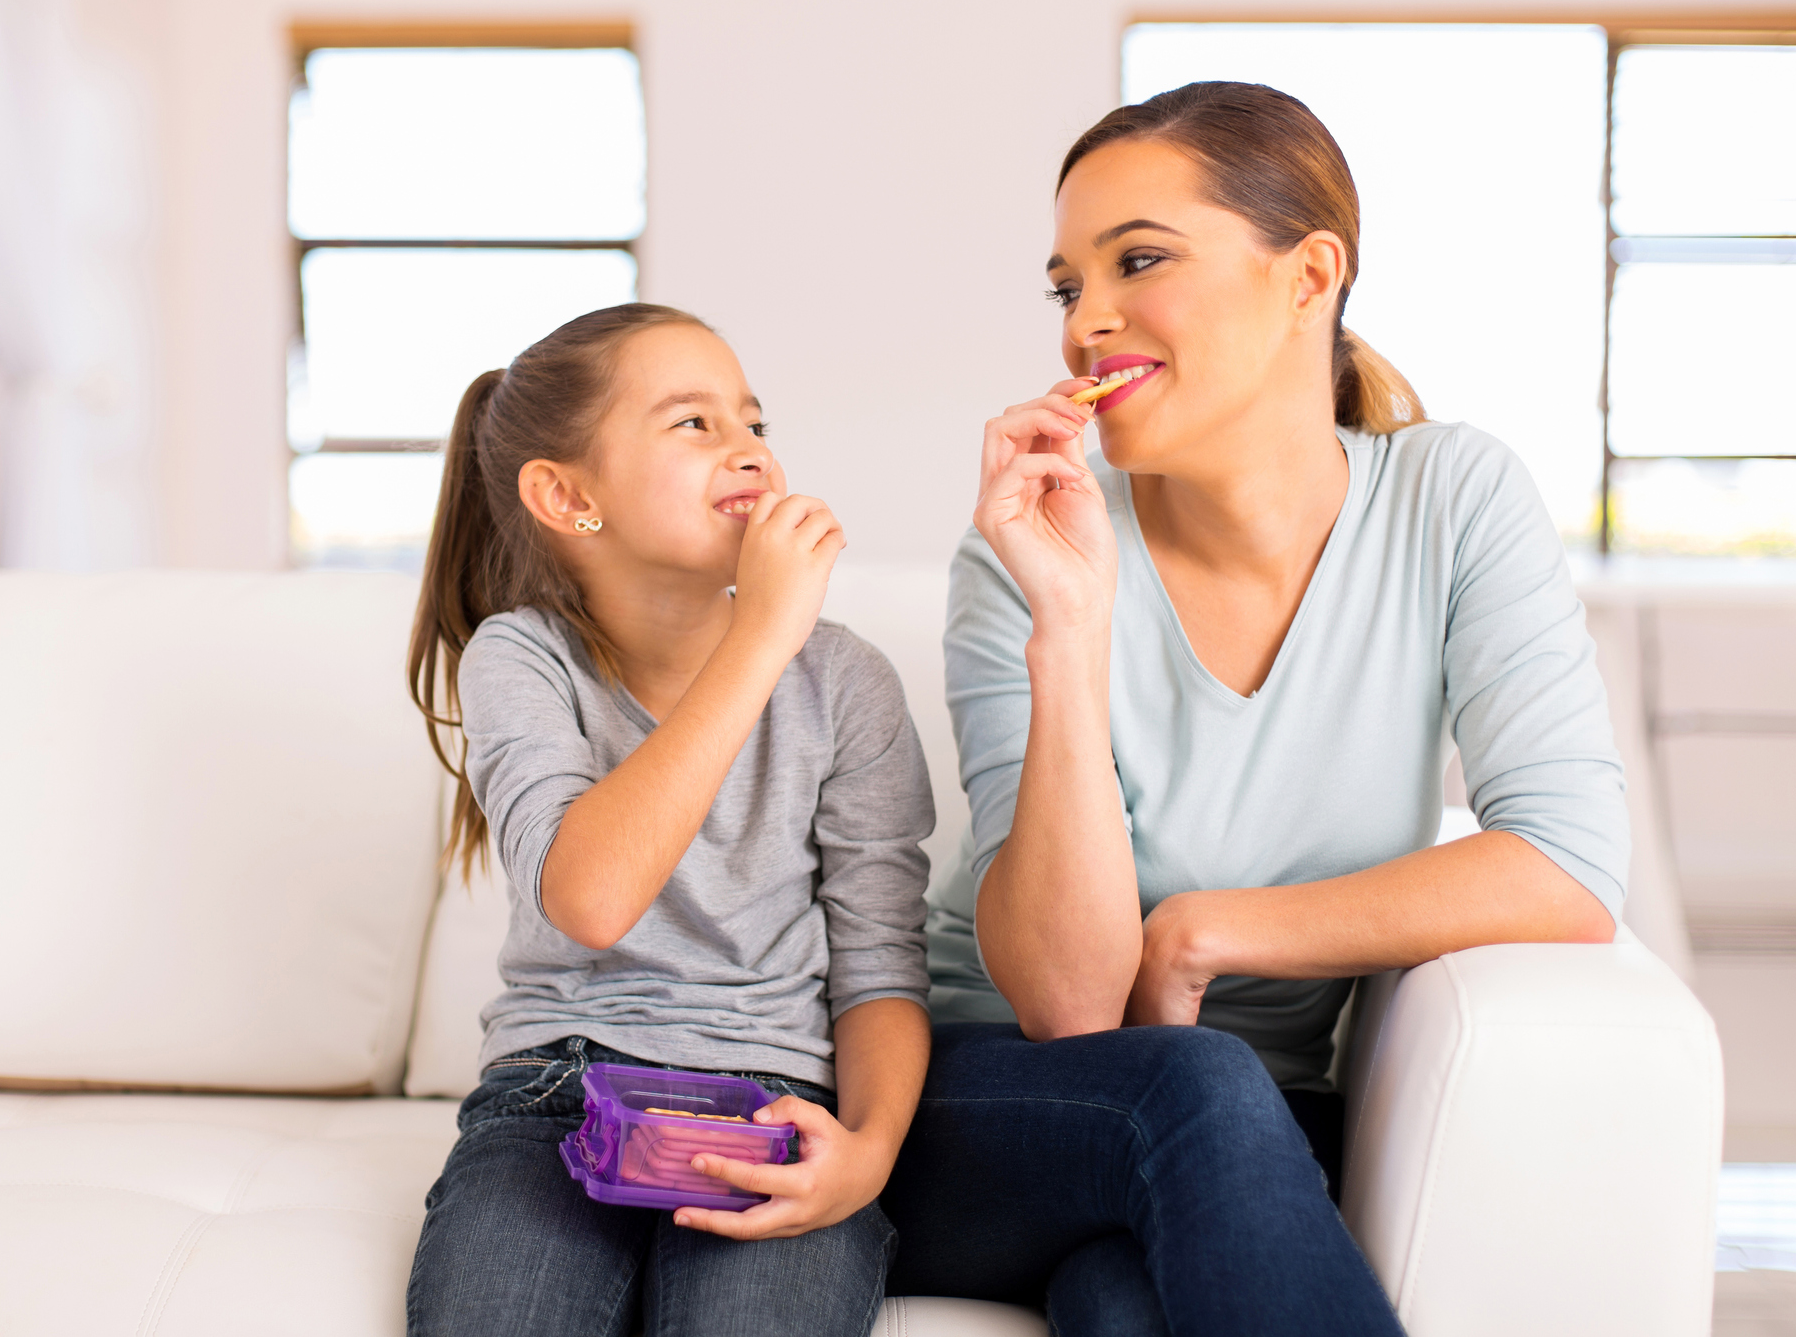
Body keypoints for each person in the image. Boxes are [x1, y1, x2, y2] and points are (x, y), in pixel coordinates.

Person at [885, 82, 1627, 1335]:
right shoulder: (1024, 553)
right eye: (1069, 285)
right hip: (988, 1102)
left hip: (1240, 1135)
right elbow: (1068, 1009)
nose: (1086, 323)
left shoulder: (1454, 501)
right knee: (1195, 1089)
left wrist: (1203, 933)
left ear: (1309, 275)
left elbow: (1565, 864)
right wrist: (1069, 624)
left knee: (1126, 1305)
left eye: (1139, 262)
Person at [402, 304, 934, 1337]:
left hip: (774, 1100)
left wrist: (864, 1155)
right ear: (569, 496)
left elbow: (881, 967)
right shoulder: (522, 658)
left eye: (755, 423)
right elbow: (592, 898)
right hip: (555, 1092)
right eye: (693, 423)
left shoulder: (847, 683)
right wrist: (764, 634)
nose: (745, 449)